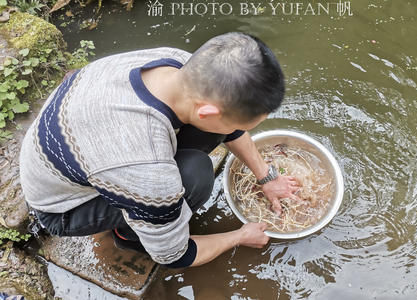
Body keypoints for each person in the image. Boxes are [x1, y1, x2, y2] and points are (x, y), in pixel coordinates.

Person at [19, 32, 301, 268]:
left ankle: (145, 214)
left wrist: (267, 177)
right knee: (196, 176)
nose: (242, 129)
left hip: (71, 151)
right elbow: (176, 256)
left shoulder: (178, 64)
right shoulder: (147, 173)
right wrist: (240, 236)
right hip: (62, 208)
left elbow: (229, 127)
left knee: (207, 142)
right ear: (207, 111)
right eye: (244, 122)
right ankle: (129, 235)